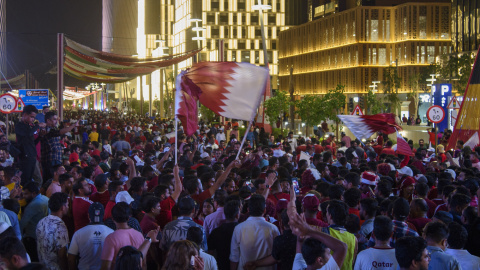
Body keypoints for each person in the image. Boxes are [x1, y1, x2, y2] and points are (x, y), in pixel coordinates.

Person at [100, 202, 158, 270]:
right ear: (128, 218)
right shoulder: (139, 235)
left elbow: (106, 267)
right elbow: (143, 263)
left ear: (113, 219)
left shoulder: (111, 239)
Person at [230, 194, 280, 270]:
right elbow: (277, 255)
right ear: (264, 210)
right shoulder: (273, 229)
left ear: (248, 210)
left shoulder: (238, 228)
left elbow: (234, 257)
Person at [68, 203, 114, 270]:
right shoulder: (112, 232)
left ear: (88, 215)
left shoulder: (78, 233)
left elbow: (71, 259)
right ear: (103, 215)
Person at [35, 192, 69, 270]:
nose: (68, 207)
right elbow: (62, 254)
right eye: (67, 205)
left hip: (42, 267)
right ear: (62, 207)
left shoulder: (41, 222)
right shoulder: (60, 225)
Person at [15, 105, 45, 185]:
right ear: (24, 115)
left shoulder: (29, 126)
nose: (33, 119)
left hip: (32, 156)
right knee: (26, 181)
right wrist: (38, 126)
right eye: (31, 117)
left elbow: (32, 143)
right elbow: (28, 134)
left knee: (31, 180)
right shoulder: (19, 126)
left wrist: (40, 136)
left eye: (34, 117)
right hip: (25, 157)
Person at [20, 182, 49, 262]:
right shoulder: (45, 198)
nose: (24, 196)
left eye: (26, 194)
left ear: (33, 193)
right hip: (43, 235)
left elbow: (22, 224)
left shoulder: (33, 205)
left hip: (32, 237)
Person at [207, 199, 240, 270]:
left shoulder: (215, 232)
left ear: (225, 214)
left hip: (220, 266)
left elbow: (210, 253)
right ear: (237, 215)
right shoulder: (242, 230)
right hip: (240, 266)